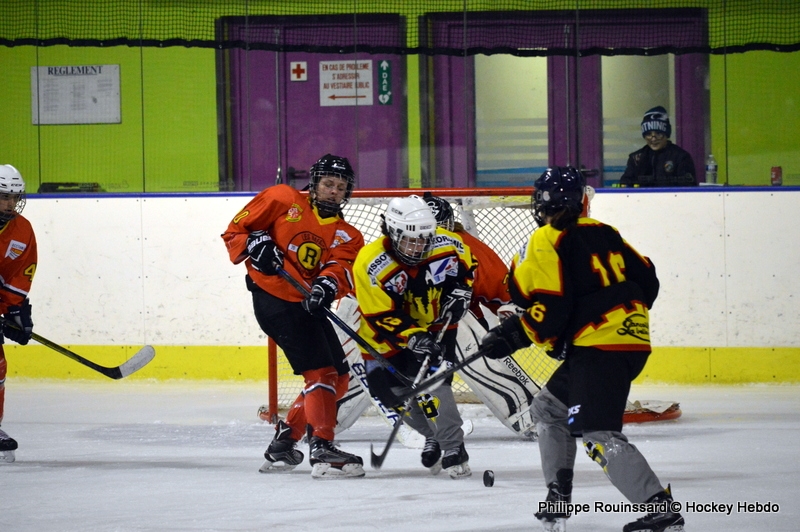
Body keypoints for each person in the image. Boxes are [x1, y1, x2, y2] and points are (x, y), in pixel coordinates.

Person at [480, 166, 684, 532]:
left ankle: (660, 510)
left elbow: (551, 308)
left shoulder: (547, 238)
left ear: (542, 203)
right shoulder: (606, 232)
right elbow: (648, 282)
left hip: (599, 346)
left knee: (599, 434)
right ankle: (558, 495)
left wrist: (513, 335)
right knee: (547, 409)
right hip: (624, 340)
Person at [222, 154, 366, 479]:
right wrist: (255, 244)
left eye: (340, 186)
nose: (334, 191)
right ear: (314, 184)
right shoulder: (282, 199)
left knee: (340, 378)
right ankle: (323, 447)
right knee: (321, 373)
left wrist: (327, 285)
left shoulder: (348, 234)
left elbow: (340, 267)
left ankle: (285, 443)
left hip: (307, 305)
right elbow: (235, 232)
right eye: (328, 183)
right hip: (274, 299)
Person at [354, 195, 475, 479]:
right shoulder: (370, 263)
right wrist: (412, 337)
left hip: (435, 325)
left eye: (424, 239)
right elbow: (380, 314)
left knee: (434, 383)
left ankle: (454, 448)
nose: (419, 246)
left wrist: (461, 293)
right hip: (383, 335)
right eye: (410, 241)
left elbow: (468, 269)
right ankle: (433, 435)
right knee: (389, 393)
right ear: (392, 232)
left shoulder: (448, 243)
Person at [422, 192, 511, 326]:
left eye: (440, 229)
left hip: (461, 320)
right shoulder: (395, 251)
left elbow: (496, 283)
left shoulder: (468, 248)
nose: (438, 236)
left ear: (450, 226)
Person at [0, 165, 37, 464]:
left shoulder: (22, 229)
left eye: (15, 197)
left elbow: (17, 275)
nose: (11, 203)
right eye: (4, 197)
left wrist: (13, 310)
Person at [619, 106, 697, 187]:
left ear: (666, 134)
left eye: (658, 134)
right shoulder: (636, 158)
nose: (653, 139)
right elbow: (625, 185)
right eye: (648, 134)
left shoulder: (681, 157)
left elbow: (688, 189)